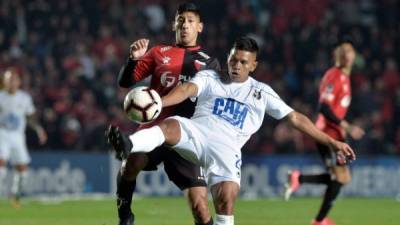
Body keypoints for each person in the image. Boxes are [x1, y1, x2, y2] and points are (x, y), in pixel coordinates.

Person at [107, 37, 356, 225]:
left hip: (227, 149)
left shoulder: (261, 92)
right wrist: (161, 102)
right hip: (197, 133)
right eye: (233, 59)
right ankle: (130, 143)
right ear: (228, 57)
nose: (236, 65)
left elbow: (296, 119)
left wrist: (332, 143)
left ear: (253, 65)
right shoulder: (210, 77)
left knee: (225, 200)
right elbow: (187, 90)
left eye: (243, 62)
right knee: (170, 126)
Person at [107, 3, 220, 225]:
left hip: (187, 135)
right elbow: (125, 82)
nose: (185, 25)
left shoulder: (210, 63)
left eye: (190, 21)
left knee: (200, 207)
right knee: (132, 161)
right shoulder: (159, 52)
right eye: (181, 20)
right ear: (173, 25)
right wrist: (133, 59)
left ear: (200, 27)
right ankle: (125, 217)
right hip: (155, 129)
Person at [284, 41, 365, 225]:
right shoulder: (334, 75)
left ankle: (299, 179)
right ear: (339, 55)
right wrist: (347, 126)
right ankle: (319, 220)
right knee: (341, 177)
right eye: (345, 51)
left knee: (342, 178)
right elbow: (324, 107)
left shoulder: (345, 78)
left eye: (351, 51)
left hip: (336, 134)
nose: (348, 55)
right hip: (327, 135)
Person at [0, 68, 47, 208]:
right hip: (2, 133)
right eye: (8, 80)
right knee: (1, 162)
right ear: (4, 82)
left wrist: (39, 130)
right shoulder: (0, 97)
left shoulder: (24, 98)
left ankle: (16, 196)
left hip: (18, 136)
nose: (11, 82)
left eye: (14, 80)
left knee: (22, 168)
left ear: (19, 82)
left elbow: (30, 117)